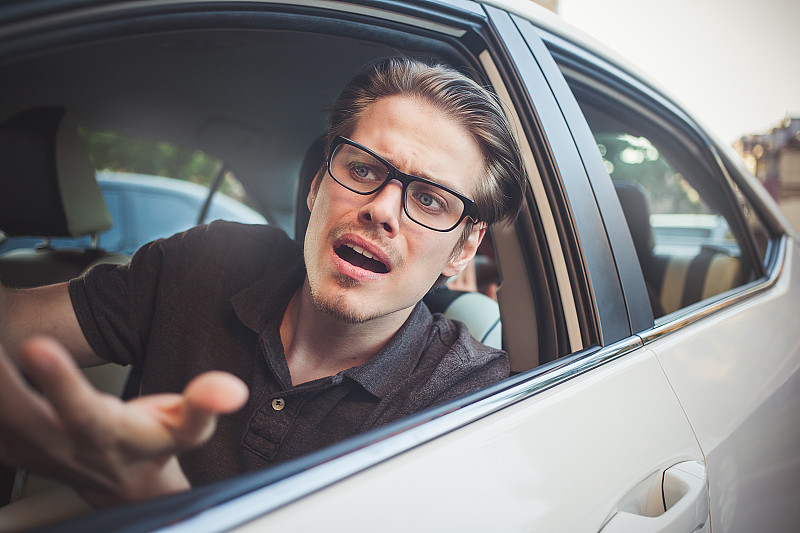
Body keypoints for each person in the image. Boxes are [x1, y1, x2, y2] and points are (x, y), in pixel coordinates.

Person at [0, 57, 527, 508]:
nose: (382, 210)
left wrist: (152, 504)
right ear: (318, 186)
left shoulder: (470, 406)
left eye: (430, 199)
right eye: (364, 169)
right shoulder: (210, 262)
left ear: (462, 249)